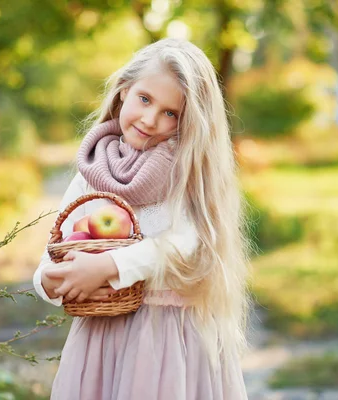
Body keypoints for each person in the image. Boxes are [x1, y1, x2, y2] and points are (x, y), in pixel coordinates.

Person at [33, 38, 251, 400]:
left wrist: (107, 265)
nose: (151, 120)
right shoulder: (91, 173)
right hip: (100, 343)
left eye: (171, 113)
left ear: (189, 121)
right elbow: (49, 259)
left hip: (168, 341)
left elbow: (188, 243)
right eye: (145, 99)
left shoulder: (188, 172)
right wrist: (54, 281)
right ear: (123, 91)